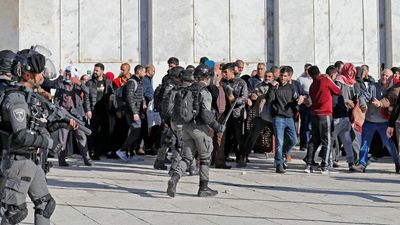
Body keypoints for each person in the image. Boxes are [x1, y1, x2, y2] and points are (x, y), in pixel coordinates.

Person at [0, 49, 66, 225]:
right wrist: (49, 143)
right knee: (13, 213)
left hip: (30, 160)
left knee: (46, 205)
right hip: (17, 160)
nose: (42, 76)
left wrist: (60, 124)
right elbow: (21, 136)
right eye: (39, 72)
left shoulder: (25, 95)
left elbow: (34, 126)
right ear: (28, 73)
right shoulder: (16, 99)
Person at [167, 64, 225, 198]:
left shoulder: (187, 90)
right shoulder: (204, 92)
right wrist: (218, 127)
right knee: (205, 158)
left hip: (186, 127)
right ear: (206, 77)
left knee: (187, 157)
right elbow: (206, 114)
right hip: (200, 129)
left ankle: (174, 179)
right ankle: (203, 188)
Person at [359, 69, 400, 173]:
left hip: (384, 122)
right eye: (382, 75)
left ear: (391, 77)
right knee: (365, 143)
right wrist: (363, 105)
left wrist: (382, 104)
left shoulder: (393, 88)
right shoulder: (373, 86)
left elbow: (390, 99)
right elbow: (363, 96)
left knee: (389, 144)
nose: (384, 77)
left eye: (386, 75)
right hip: (370, 121)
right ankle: (362, 164)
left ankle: (397, 163)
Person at [53, 65, 92, 167]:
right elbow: (56, 99)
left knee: (81, 136)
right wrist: (58, 110)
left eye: (70, 74)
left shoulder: (79, 85)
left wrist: (79, 82)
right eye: (67, 74)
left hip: (77, 114)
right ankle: (61, 160)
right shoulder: (61, 84)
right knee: (62, 138)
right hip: (64, 114)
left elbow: (88, 92)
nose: (68, 76)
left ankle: (87, 159)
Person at [305, 66, 340, 173]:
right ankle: (324, 165)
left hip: (314, 114)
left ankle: (309, 164)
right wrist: (329, 79)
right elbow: (337, 90)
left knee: (314, 140)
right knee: (327, 140)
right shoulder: (325, 80)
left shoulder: (312, 85)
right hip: (325, 114)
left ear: (310, 75)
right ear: (319, 72)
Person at [270, 66, 304, 173]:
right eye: (281, 75)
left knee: (293, 140)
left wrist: (299, 100)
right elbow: (270, 100)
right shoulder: (275, 86)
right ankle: (279, 164)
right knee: (279, 142)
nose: (282, 78)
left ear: (289, 77)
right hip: (278, 117)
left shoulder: (292, 87)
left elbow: (295, 100)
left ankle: (281, 154)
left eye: (285, 76)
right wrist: (271, 88)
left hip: (289, 117)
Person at [116, 65, 146, 161]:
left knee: (135, 131)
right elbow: (129, 98)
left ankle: (132, 154)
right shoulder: (131, 82)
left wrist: (143, 104)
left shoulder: (138, 81)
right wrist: (134, 113)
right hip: (132, 111)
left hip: (137, 110)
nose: (145, 74)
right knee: (135, 131)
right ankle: (122, 150)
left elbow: (139, 95)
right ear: (138, 72)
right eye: (144, 72)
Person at [221, 63, 249, 167]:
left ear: (232, 72)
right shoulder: (222, 82)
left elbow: (245, 97)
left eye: (226, 72)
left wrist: (235, 100)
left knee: (238, 136)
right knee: (226, 135)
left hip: (237, 112)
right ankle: (224, 155)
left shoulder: (241, 82)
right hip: (225, 112)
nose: (224, 74)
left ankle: (241, 156)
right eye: (223, 72)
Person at [86, 63, 114, 160]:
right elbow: (86, 98)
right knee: (94, 132)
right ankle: (95, 152)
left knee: (105, 131)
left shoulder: (108, 82)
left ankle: (104, 151)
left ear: (102, 71)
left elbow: (112, 93)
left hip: (105, 110)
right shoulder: (90, 83)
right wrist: (88, 110)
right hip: (94, 110)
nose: (95, 72)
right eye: (94, 70)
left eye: (97, 70)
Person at [297, 63, 313, 151]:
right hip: (305, 105)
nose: (307, 71)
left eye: (308, 69)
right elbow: (298, 91)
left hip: (313, 104)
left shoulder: (314, 79)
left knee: (312, 125)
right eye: (305, 69)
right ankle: (304, 144)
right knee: (304, 125)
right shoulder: (300, 79)